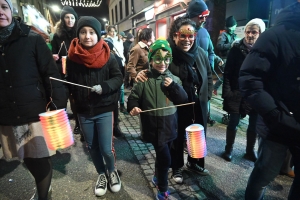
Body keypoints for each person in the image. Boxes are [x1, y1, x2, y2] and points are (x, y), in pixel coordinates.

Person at [0, 0, 67, 199]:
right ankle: (43, 187)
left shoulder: (31, 39)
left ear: (11, 10)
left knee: (38, 159)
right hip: (7, 114)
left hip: (34, 113)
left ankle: (43, 195)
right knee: (25, 158)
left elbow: (51, 76)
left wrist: (57, 106)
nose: (0, 12)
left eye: (3, 7)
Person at [136, 17, 213, 184]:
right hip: (175, 103)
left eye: (190, 36)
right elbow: (154, 68)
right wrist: (141, 74)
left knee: (197, 135)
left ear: (195, 35)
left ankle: (195, 162)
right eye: (182, 36)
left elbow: (208, 74)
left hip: (197, 104)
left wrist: (207, 97)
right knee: (176, 137)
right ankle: (176, 166)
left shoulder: (200, 53)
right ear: (175, 35)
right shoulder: (169, 53)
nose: (187, 40)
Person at [238, 2, 300, 199]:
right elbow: (248, 78)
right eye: (248, 31)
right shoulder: (275, 35)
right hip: (277, 126)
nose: (250, 35)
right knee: (263, 174)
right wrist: (274, 114)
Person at [66, 16, 123, 197]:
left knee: (106, 148)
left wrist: (104, 87)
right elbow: (69, 83)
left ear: (98, 35)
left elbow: (118, 78)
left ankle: (112, 171)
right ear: (78, 34)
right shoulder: (73, 58)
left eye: (92, 32)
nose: (87, 36)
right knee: (92, 147)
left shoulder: (109, 56)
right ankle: (101, 174)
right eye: (83, 32)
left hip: (104, 109)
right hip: (83, 111)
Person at [127, 39, 188, 200]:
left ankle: (156, 176)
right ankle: (163, 188)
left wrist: (174, 87)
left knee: (163, 155)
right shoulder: (143, 79)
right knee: (166, 158)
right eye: (158, 59)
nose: (162, 63)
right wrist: (133, 107)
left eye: (166, 59)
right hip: (152, 126)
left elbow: (183, 99)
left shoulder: (174, 79)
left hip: (169, 125)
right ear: (151, 59)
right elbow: (133, 98)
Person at [221, 18, 265, 162]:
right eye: (248, 31)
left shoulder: (264, 50)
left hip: (255, 93)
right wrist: (227, 93)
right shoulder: (235, 49)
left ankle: (250, 151)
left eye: (254, 32)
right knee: (233, 122)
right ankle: (228, 149)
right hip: (236, 92)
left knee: (253, 124)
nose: (250, 35)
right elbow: (227, 72)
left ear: (260, 33)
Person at [50, 6, 83, 139]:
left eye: (72, 17)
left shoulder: (79, 33)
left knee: (76, 98)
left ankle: (79, 124)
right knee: (64, 98)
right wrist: (53, 56)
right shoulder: (57, 36)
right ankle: (63, 128)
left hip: (77, 70)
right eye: (67, 17)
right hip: (62, 70)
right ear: (63, 19)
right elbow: (53, 51)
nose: (70, 20)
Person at [186, 0, 216, 125]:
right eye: (201, 17)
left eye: (205, 17)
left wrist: (209, 66)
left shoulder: (204, 32)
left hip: (202, 85)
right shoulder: (182, 31)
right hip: (187, 85)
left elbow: (211, 51)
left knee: (201, 123)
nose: (204, 20)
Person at [214, 16, 237, 95]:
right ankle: (215, 87)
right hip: (225, 58)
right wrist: (231, 45)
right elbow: (219, 46)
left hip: (231, 58)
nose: (234, 28)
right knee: (226, 75)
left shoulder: (233, 35)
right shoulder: (223, 34)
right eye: (234, 26)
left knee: (229, 75)